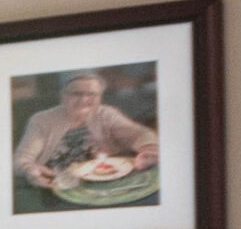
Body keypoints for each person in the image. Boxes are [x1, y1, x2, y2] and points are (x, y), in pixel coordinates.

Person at [13, 71, 157, 191]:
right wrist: (29, 170)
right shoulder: (41, 120)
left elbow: (139, 134)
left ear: (100, 97)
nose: (84, 99)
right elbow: (21, 159)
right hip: (55, 185)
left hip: (101, 184)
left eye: (92, 94)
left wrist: (148, 149)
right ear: (63, 96)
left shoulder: (106, 114)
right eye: (77, 94)